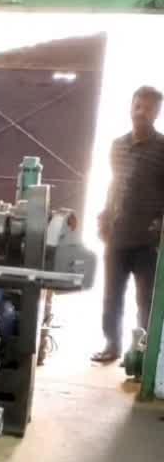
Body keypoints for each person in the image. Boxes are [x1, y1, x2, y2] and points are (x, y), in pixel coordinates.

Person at [91, 86, 164, 363]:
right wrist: (106, 216)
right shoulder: (118, 145)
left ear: (157, 113)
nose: (140, 112)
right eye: (137, 106)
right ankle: (112, 345)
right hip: (117, 236)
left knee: (145, 300)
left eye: (147, 108)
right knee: (112, 297)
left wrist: (158, 225)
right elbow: (115, 184)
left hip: (148, 241)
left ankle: (143, 354)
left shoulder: (163, 148)